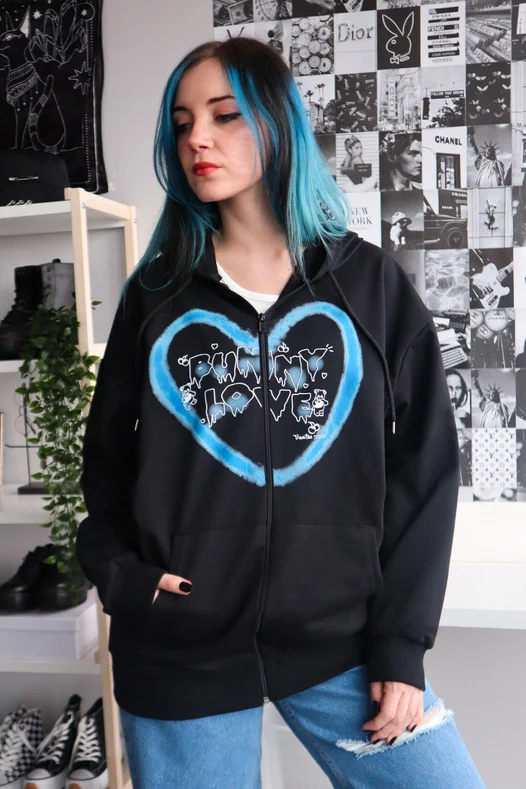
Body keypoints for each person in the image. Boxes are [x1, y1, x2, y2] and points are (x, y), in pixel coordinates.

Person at [75, 37, 486, 789]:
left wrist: (401, 646)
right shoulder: (157, 296)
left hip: (344, 644)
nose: (197, 139)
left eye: (224, 115)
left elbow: (425, 469)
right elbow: (104, 461)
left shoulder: (371, 287)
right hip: (181, 649)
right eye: (182, 123)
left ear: (276, 122)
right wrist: (126, 579)